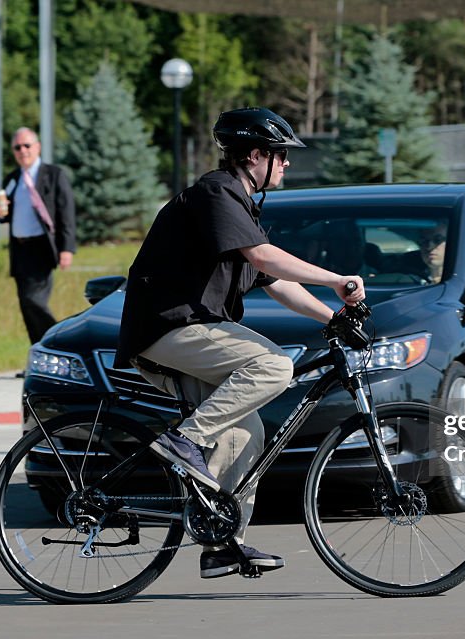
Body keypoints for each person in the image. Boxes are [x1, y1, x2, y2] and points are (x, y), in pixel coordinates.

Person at [115, 107, 365, 579]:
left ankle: (222, 543)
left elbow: (269, 277)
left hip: (187, 332)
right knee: (273, 365)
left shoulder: (239, 203)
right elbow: (261, 254)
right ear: (255, 156)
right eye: (281, 156)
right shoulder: (216, 193)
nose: (287, 164)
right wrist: (336, 279)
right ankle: (183, 441)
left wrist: (333, 317)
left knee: (245, 431)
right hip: (168, 327)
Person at [0, 127, 77, 344]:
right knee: (25, 303)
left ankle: (59, 343)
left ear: (37, 147)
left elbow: (66, 212)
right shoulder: (12, 179)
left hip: (42, 246)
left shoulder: (53, 174)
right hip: (20, 249)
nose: (23, 151)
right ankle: (38, 356)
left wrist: (67, 248)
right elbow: (8, 215)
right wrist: (1, 213)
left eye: (27, 145)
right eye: (17, 147)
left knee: (34, 300)